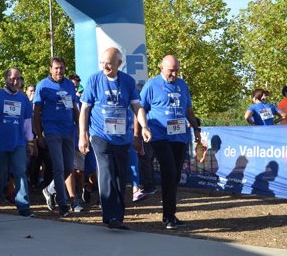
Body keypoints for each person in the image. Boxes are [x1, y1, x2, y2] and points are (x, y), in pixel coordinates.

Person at [78, 47, 151, 229]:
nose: (105, 66)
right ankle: (110, 215)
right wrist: (83, 135)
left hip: (121, 137)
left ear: (119, 63)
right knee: (106, 171)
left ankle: (118, 215)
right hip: (100, 135)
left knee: (120, 174)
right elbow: (84, 109)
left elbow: (137, 107)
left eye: (109, 63)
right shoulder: (94, 80)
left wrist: (144, 127)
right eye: (102, 63)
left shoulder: (127, 81)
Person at [140, 54, 201, 230]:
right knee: (169, 171)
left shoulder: (182, 85)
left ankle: (170, 214)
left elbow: (188, 109)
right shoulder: (151, 85)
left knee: (174, 175)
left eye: (176, 70)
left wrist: (196, 129)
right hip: (159, 135)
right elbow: (140, 108)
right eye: (170, 71)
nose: (173, 74)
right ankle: (168, 217)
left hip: (180, 136)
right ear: (161, 68)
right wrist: (140, 130)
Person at [0, 68, 35, 217]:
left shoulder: (24, 99)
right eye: (13, 78)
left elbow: (27, 123)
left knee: (20, 172)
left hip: (18, 142)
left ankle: (24, 207)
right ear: (6, 79)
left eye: (18, 79)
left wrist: (30, 142)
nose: (15, 81)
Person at [33, 56, 79, 217]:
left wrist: (81, 127)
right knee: (58, 167)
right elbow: (36, 112)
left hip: (68, 131)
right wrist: (39, 135)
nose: (59, 71)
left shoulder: (68, 85)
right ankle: (63, 203)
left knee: (68, 168)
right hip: (52, 131)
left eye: (61, 68)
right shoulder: (42, 86)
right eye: (56, 68)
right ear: (50, 69)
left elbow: (74, 108)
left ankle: (49, 189)